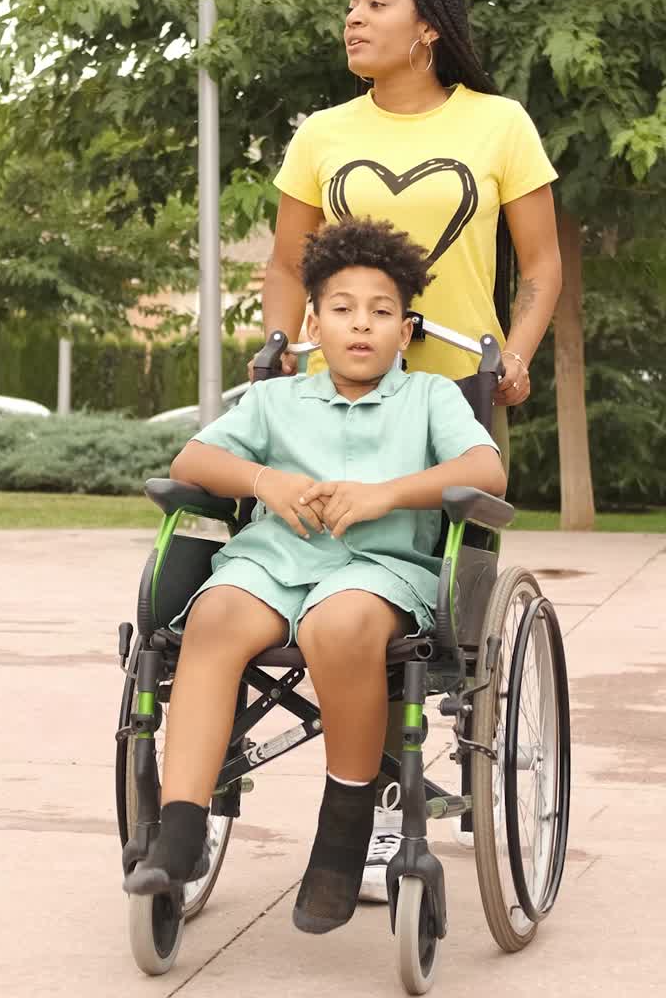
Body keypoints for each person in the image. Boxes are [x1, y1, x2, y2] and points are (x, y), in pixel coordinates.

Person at [256, 0, 562, 897]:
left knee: (421, 618)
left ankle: (391, 805)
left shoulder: (498, 124)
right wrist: (280, 344)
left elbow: (541, 265)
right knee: (328, 579)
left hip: (453, 396)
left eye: (375, 3)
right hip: (338, 396)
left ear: (428, 25)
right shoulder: (323, 133)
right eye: (350, 4)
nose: (353, 18)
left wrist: (516, 354)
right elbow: (287, 263)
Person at [125, 218, 506, 937]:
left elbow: (486, 470)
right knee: (214, 617)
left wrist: (386, 494)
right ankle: (179, 827)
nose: (361, 324)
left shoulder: (430, 398)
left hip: (379, 570)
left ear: (405, 330)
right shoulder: (275, 400)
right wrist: (265, 481)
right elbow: (192, 462)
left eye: (381, 311)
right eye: (342, 308)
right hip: (274, 562)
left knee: (341, 623)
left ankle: (343, 829)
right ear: (312, 324)